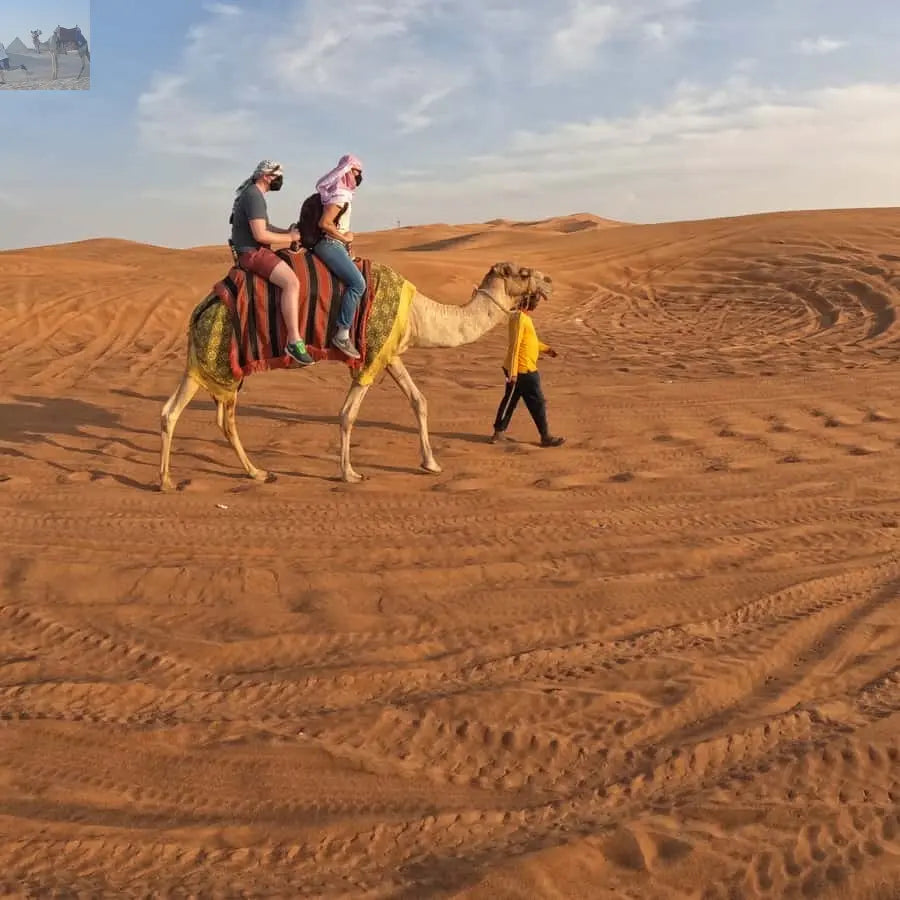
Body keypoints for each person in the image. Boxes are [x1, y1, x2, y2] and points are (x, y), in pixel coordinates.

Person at [230, 160, 313, 366]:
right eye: (277, 176)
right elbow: (260, 235)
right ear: (266, 176)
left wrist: (288, 232)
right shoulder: (254, 196)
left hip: (253, 250)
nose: (279, 180)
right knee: (292, 283)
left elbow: (266, 226)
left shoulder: (253, 195)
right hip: (252, 253)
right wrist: (291, 239)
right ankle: (293, 340)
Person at [490, 293, 565, 447]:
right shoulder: (519, 318)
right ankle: (545, 437)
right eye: (534, 302)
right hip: (522, 370)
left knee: (513, 400)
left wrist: (547, 349)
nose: (535, 305)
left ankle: (499, 433)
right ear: (526, 303)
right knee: (535, 402)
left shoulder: (524, 318)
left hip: (524, 369)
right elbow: (515, 345)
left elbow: (530, 341)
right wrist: (513, 372)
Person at [311, 154, 366, 359]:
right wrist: (344, 238)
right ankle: (342, 334)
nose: (358, 176)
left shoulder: (341, 193)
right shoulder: (340, 196)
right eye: (355, 171)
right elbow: (325, 224)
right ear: (346, 170)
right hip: (330, 244)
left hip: (336, 245)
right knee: (358, 284)